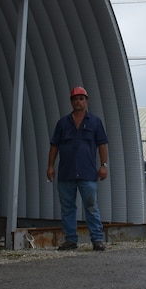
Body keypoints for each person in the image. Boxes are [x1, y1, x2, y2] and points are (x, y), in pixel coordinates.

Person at [47, 86, 109, 251]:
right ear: (71, 102)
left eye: (81, 98)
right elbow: (54, 146)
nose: (78, 101)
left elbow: (102, 144)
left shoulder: (95, 122)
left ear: (86, 101)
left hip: (87, 173)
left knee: (91, 206)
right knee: (67, 208)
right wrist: (50, 166)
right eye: (75, 99)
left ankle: (97, 239)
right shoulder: (62, 123)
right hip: (66, 173)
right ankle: (71, 240)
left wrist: (103, 165)